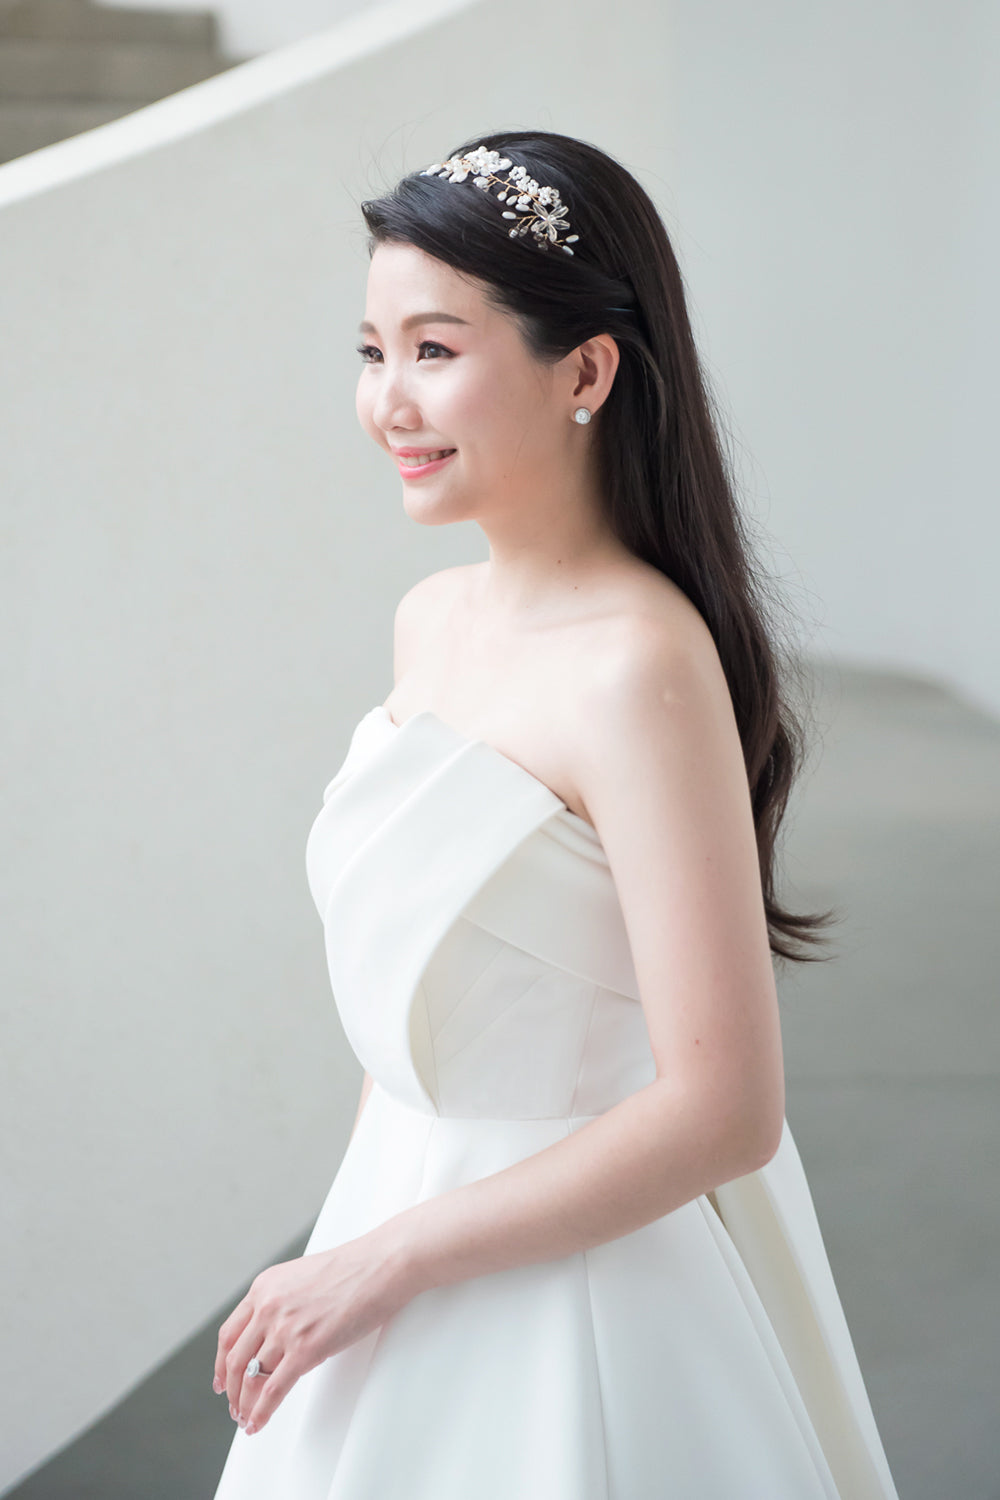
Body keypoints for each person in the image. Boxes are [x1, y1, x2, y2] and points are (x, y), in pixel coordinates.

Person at [210, 130, 899, 1498]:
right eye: (370, 352)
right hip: (382, 1241)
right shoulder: (429, 622)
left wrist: (389, 1257)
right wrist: (349, 1237)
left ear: (584, 370)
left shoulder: (638, 662)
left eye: (435, 350)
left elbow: (724, 1110)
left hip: (577, 1286)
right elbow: (411, 1006)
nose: (389, 402)